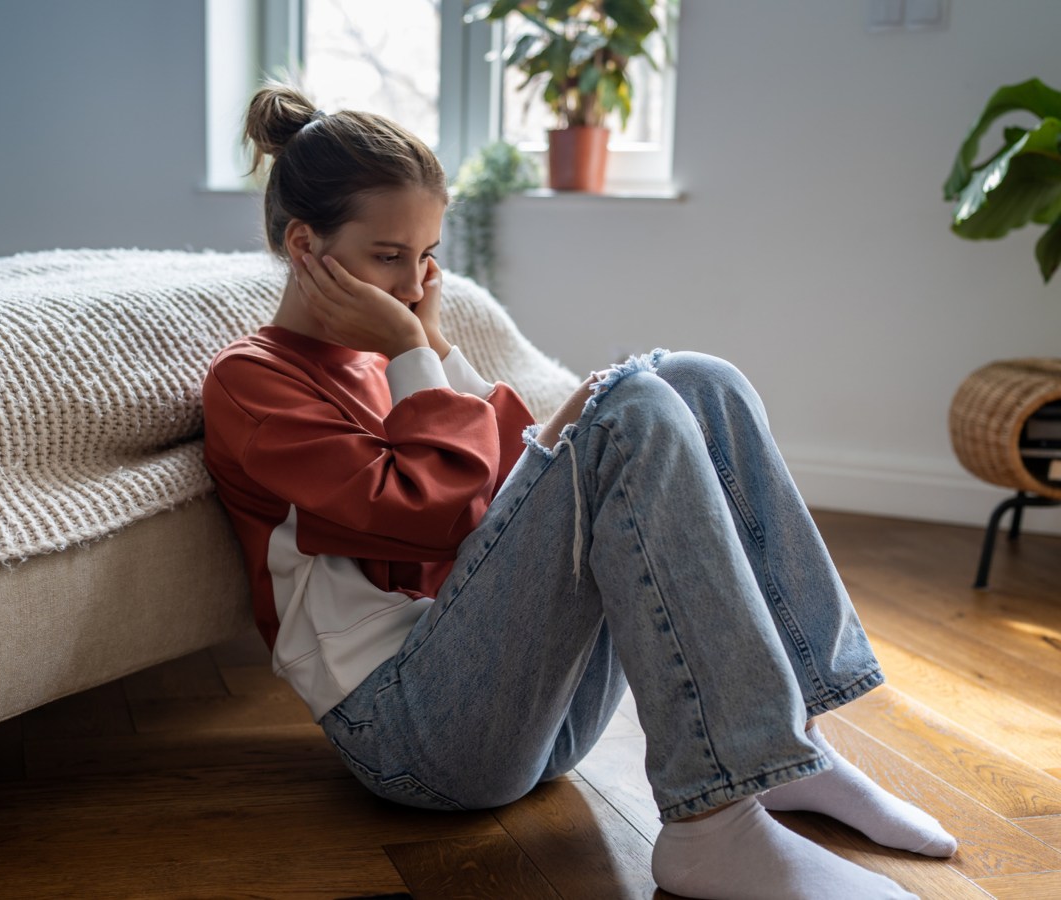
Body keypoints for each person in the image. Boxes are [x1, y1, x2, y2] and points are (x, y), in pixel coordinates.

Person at [201, 83, 957, 900]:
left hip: (531, 715)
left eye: (426, 256)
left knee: (691, 380)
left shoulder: (391, 353)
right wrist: (417, 349)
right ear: (305, 246)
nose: (413, 284)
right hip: (410, 737)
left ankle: (786, 749)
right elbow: (434, 519)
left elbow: (497, 505)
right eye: (388, 256)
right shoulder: (253, 382)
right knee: (629, 410)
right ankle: (712, 830)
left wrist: (460, 365)